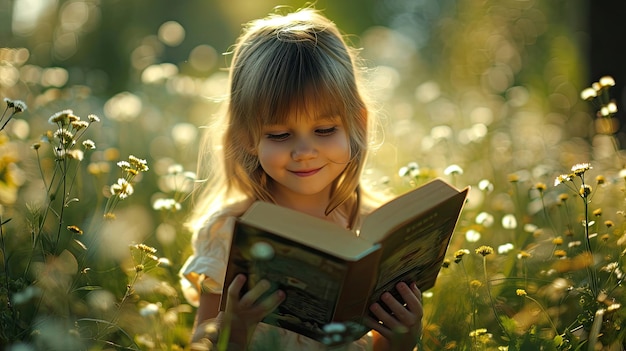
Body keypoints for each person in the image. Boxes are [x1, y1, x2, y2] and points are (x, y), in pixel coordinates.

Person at [179, 6, 423, 351]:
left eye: (324, 130)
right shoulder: (230, 231)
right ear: (247, 137)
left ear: (358, 124)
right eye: (280, 135)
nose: (304, 152)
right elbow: (202, 343)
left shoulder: (373, 231)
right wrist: (234, 329)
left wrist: (402, 338)